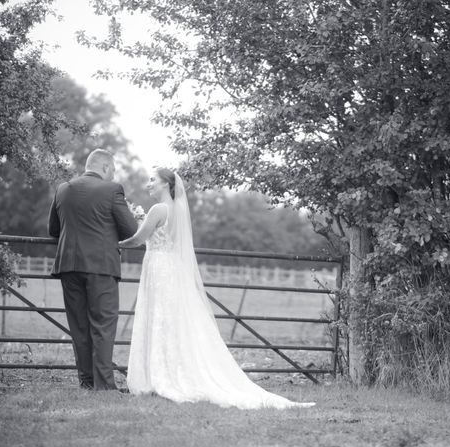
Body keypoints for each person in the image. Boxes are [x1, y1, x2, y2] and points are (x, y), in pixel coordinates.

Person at [119, 168, 314, 409]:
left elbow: (138, 240)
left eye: (152, 180)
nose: (148, 184)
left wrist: (115, 243)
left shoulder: (158, 209)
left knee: (159, 319)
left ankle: (160, 377)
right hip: (170, 270)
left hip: (159, 269)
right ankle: (166, 372)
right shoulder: (177, 211)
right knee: (170, 320)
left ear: (166, 185)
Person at [48, 149, 138, 390]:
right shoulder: (112, 190)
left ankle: (87, 383)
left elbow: (53, 231)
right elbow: (130, 230)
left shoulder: (63, 188)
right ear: (106, 167)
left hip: (69, 266)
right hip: (101, 267)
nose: (113, 175)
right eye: (113, 170)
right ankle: (105, 387)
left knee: (79, 326)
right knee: (103, 325)